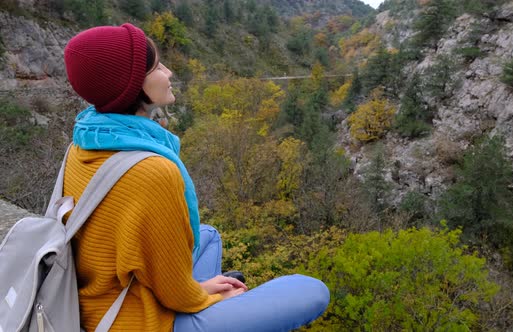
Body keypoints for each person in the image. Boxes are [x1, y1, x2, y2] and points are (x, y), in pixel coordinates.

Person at [62, 23, 330, 332]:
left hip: (97, 296)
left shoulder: (84, 142)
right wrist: (212, 296)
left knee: (208, 234)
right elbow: (177, 295)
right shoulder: (152, 171)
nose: (169, 72)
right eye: (156, 67)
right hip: (137, 320)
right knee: (311, 290)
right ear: (132, 84)